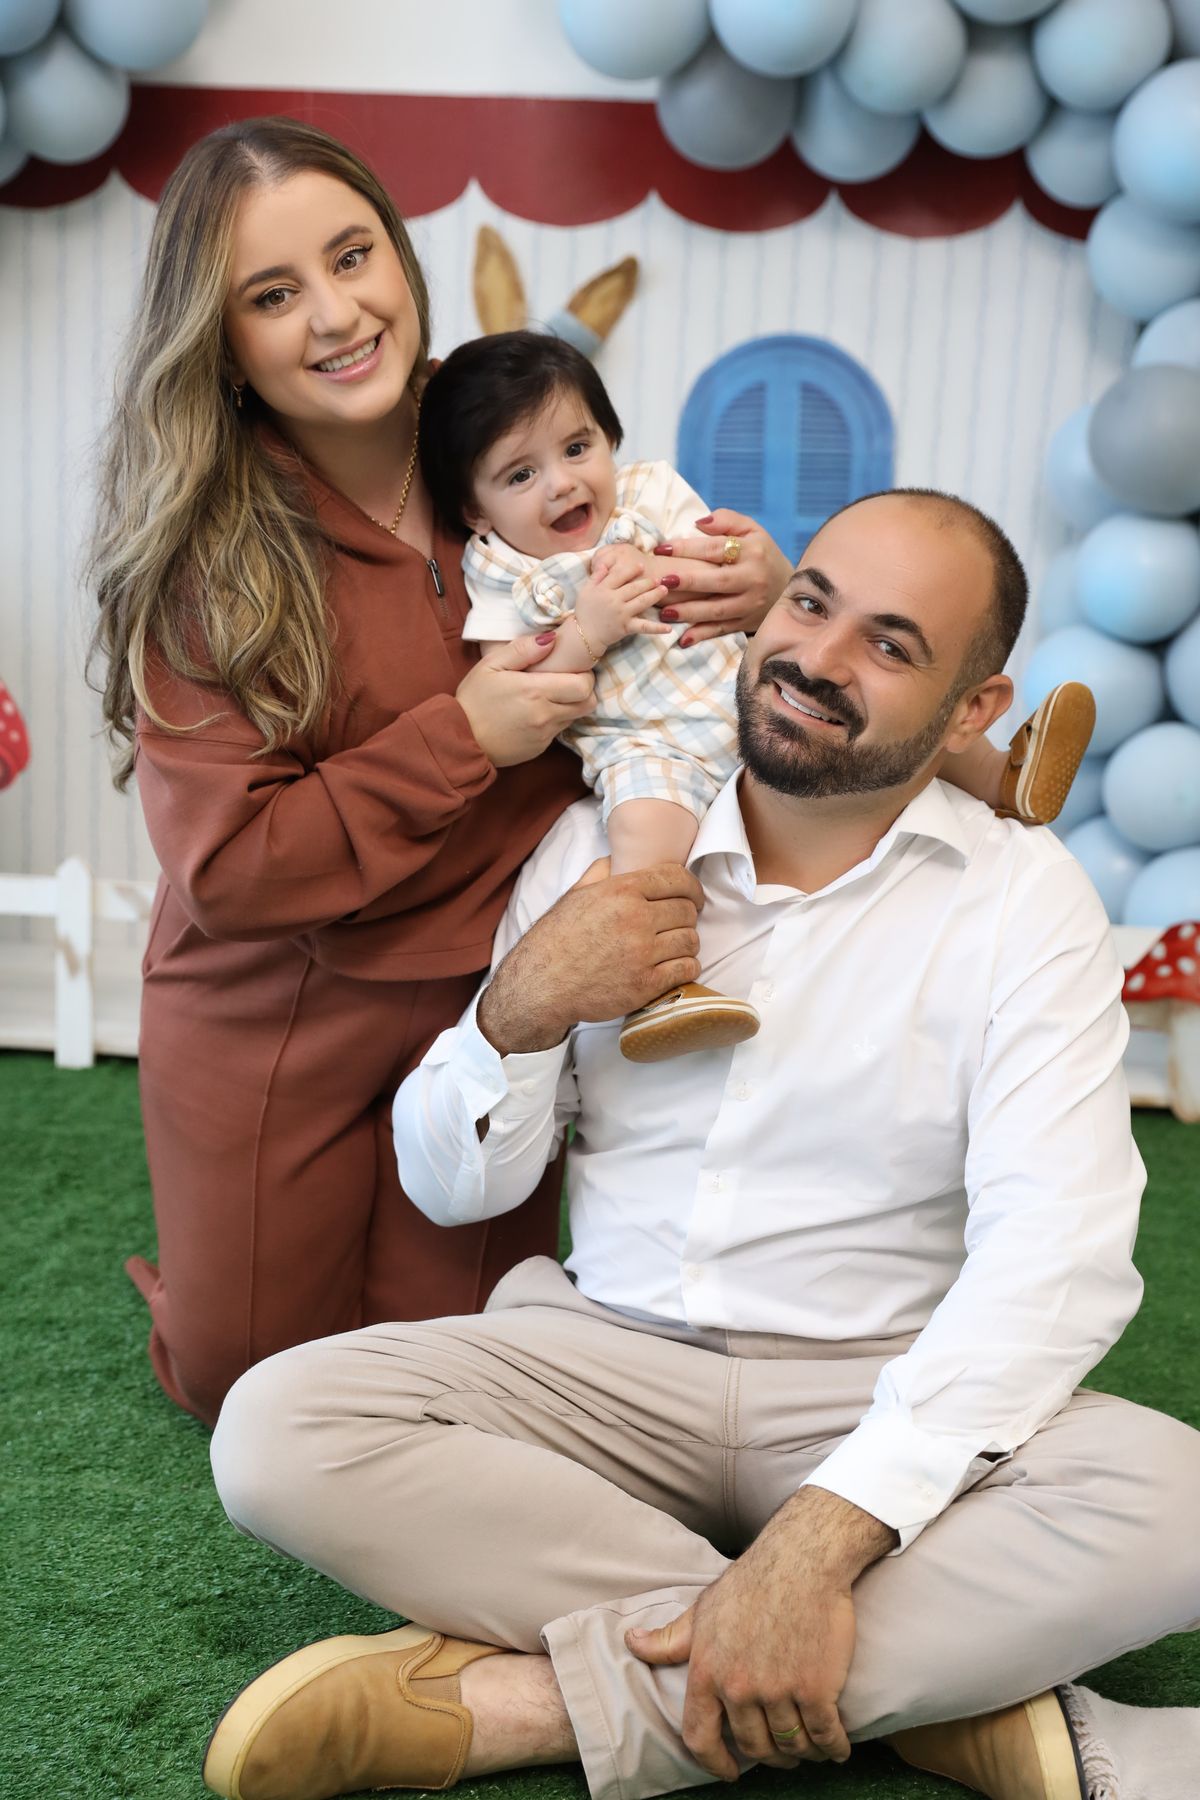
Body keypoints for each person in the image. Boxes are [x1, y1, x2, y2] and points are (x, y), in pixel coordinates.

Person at [203, 489, 1200, 1800]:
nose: (816, 659)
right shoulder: (600, 845)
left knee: (1176, 1500)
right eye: (811, 602)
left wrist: (827, 1535)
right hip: (600, 1366)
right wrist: (514, 1013)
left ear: (974, 711)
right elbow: (455, 1190)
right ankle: (933, 1705)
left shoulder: (1026, 897)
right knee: (278, 1429)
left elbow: (1055, 1254)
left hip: (873, 1382)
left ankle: (526, 1708)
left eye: (889, 645)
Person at [88, 117, 790, 1428]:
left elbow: (663, 582)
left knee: (456, 1380)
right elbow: (232, 872)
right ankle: (207, 1289)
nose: (337, 314)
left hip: (488, 998)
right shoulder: (207, 558)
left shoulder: (501, 428)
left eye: (353, 257)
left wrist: (760, 583)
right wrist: (463, 734)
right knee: (251, 1384)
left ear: (401, 260)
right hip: (278, 1004)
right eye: (273, 295)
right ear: (221, 345)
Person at [419, 331, 1096, 1060]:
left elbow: (725, 566)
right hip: (646, 743)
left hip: (736, 682)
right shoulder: (502, 576)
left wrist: (733, 565)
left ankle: (1002, 777)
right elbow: (519, 684)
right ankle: (659, 991)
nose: (561, 483)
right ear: (476, 510)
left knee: (887, 718)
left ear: (610, 440)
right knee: (646, 848)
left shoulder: (649, 494)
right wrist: (588, 628)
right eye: (521, 475)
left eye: (577, 448)